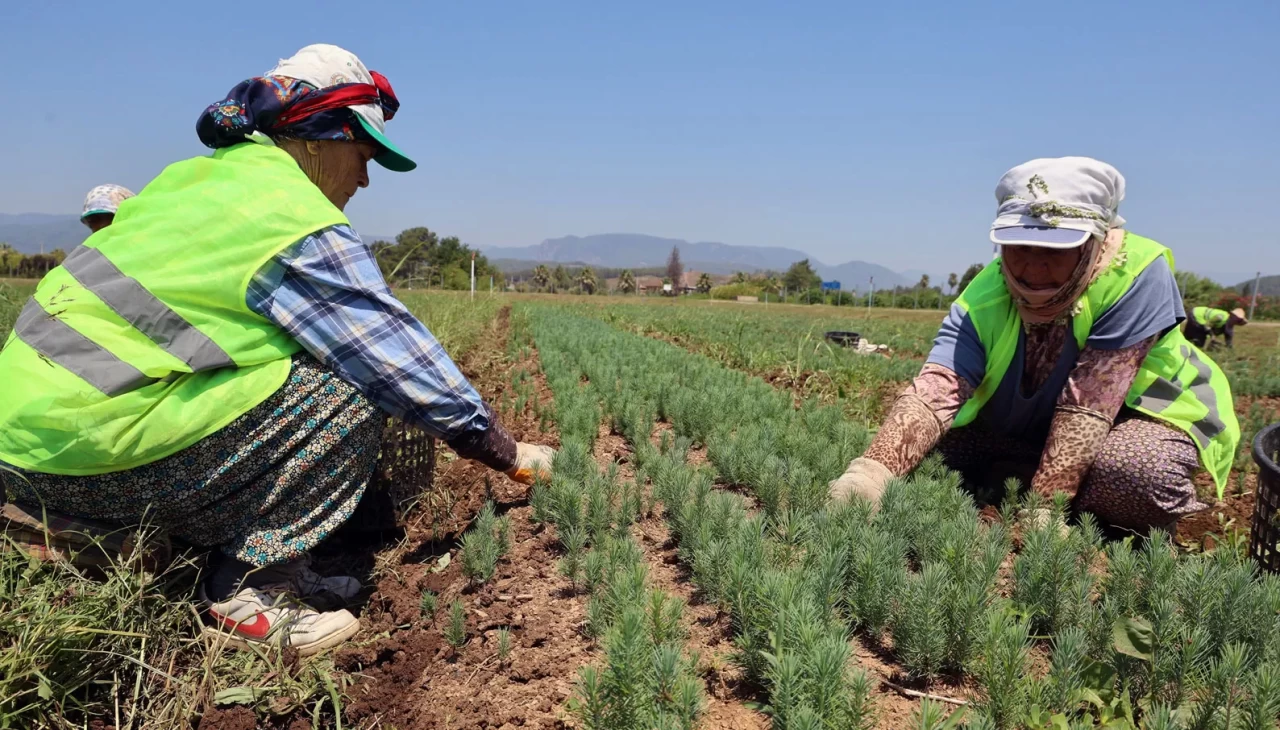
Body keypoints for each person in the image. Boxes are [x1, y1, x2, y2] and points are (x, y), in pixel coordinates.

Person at [0, 44, 554, 656]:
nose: (365, 178)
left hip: (22, 454)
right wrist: (504, 452)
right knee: (351, 387)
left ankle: (121, 530)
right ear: (321, 139)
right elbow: (394, 360)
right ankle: (247, 591)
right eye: (365, 155)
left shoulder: (189, 180)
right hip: (93, 455)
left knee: (288, 365)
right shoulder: (290, 214)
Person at [829, 157, 1239, 535]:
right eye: (1020, 247)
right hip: (1031, 426)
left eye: (1055, 249)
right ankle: (1031, 471)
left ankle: (1052, 487)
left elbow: (1090, 403)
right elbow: (938, 386)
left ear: (1093, 243)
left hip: (1130, 421)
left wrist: (1045, 508)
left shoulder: (1134, 275)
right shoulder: (985, 293)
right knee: (927, 449)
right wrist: (871, 472)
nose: (1033, 266)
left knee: (1134, 474)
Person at [1183, 306, 1248, 350]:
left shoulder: (1229, 326)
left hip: (1203, 320)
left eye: (1238, 320)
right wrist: (1212, 335)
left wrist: (1229, 347)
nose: (1236, 320)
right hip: (1197, 314)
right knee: (1198, 338)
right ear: (1231, 315)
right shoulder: (1220, 317)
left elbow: (1228, 337)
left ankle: (1186, 342)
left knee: (1191, 338)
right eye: (1236, 318)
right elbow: (1207, 326)